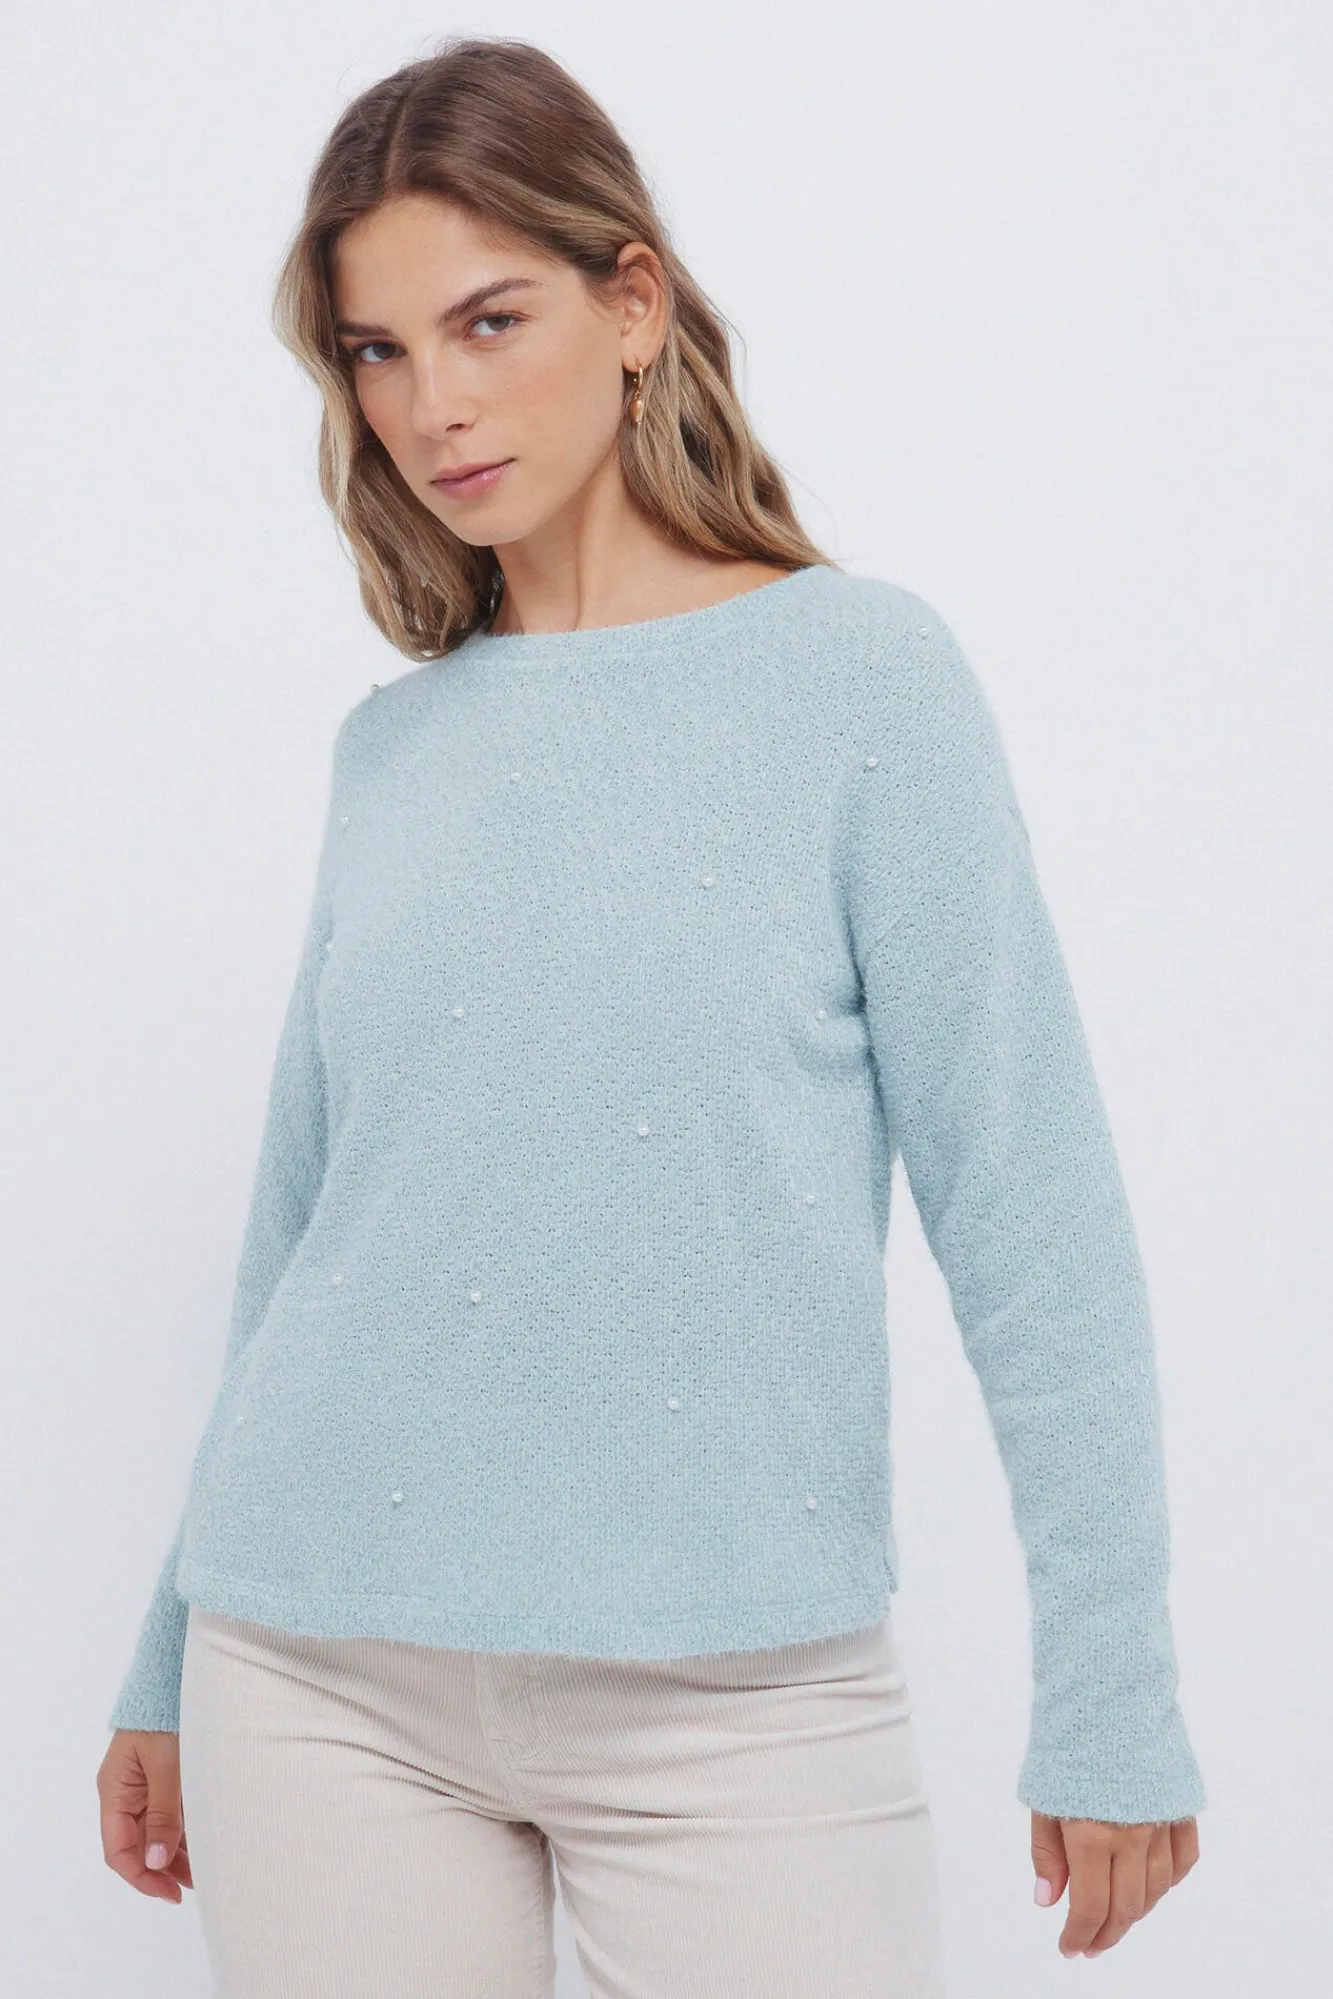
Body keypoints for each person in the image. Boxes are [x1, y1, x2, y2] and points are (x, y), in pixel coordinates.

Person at [97, 33, 1205, 1996]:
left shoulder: (866, 685)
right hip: (318, 1672)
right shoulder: (393, 751)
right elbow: (304, 1227)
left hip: (740, 1698)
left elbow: (1033, 1216)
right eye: (376, 351)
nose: (432, 403)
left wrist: (1112, 1685)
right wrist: (168, 1649)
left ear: (633, 304)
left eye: (486, 319)